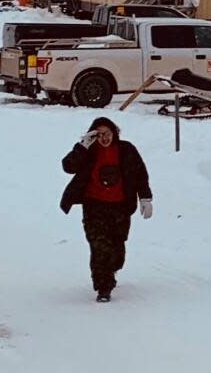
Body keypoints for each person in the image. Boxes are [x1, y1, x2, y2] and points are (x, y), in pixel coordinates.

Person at [60, 117, 153, 302]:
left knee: (117, 248)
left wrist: (145, 198)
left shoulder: (126, 150)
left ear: (114, 133)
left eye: (107, 134)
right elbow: (68, 167)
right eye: (99, 134)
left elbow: (140, 174)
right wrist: (82, 146)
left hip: (120, 208)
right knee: (99, 247)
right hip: (94, 207)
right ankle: (103, 287)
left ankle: (112, 268)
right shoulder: (88, 151)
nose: (104, 138)